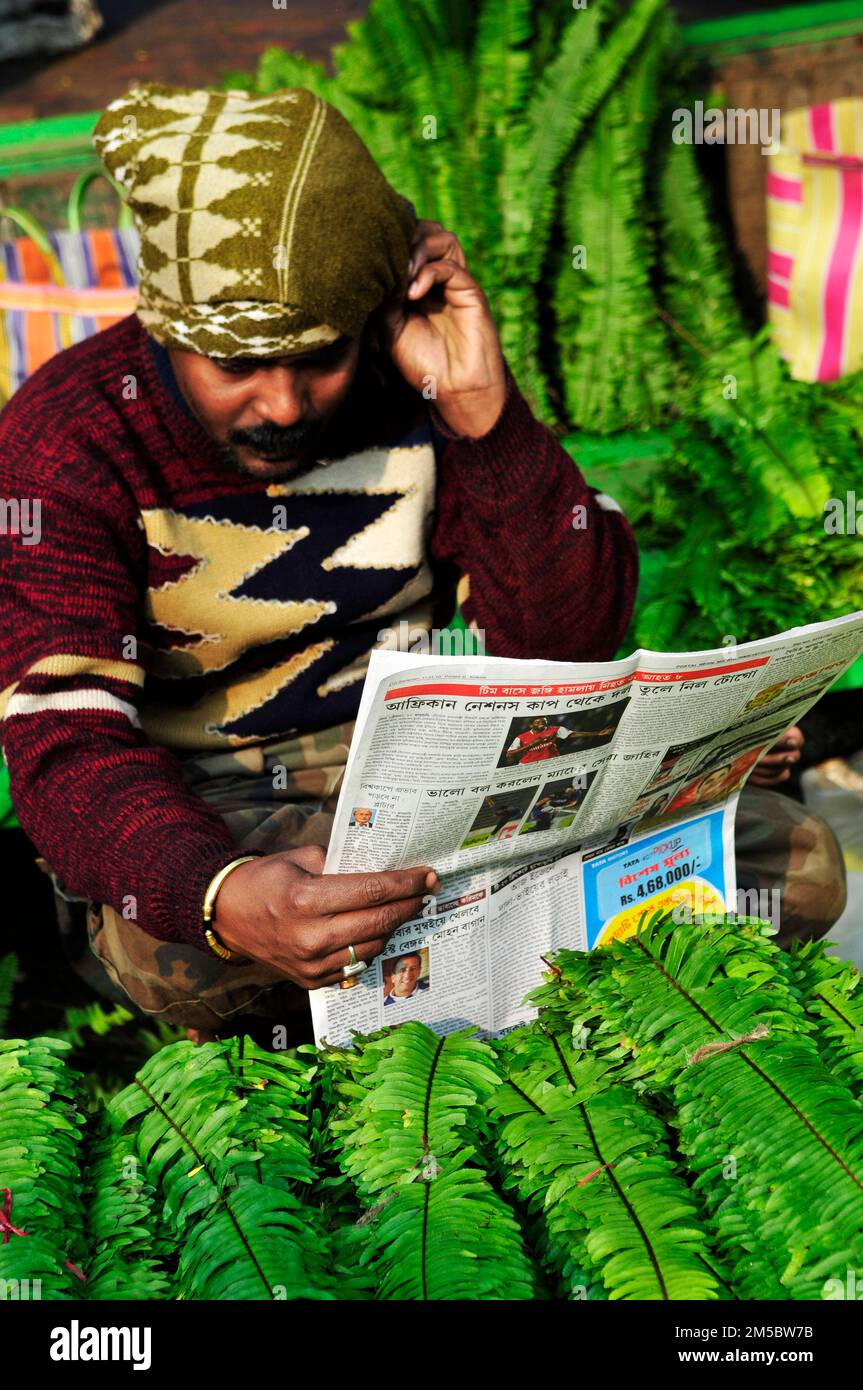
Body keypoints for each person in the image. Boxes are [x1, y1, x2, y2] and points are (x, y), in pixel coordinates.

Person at [0, 83, 638, 1043]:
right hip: (212, 797)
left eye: (319, 359)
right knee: (195, 968)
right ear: (166, 332)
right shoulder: (66, 443)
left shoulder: (415, 383)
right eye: (239, 367)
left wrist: (482, 415)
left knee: (786, 863)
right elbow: (70, 749)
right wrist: (217, 892)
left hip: (439, 772)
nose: (286, 405)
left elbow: (569, 644)